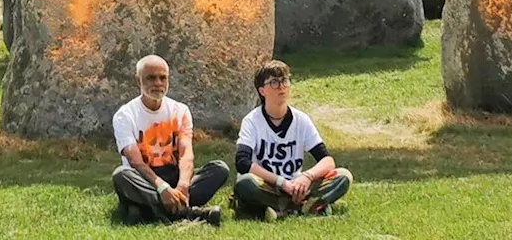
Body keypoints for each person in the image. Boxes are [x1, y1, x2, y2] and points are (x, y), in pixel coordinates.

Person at [111, 55, 229, 226]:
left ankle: (147, 210)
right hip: (144, 179)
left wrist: (182, 185)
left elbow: (186, 153)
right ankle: (189, 212)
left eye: (162, 77)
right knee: (121, 175)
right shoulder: (125, 115)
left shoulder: (180, 110)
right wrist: (162, 188)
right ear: (139, 81)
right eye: (151, 78)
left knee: (219, 169)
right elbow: (135, 161)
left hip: (173, 175)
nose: (158, 83)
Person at [231, 60, 353, 220]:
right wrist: (282, 183)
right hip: (269, 186)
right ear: (262, 91)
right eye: (274, 82)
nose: (281, 86)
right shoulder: (252, 121)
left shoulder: (301, 119)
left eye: (285, 80)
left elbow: (327, 160)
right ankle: (308, 206)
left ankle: (281, 209)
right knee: (245, 182)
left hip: (297, 186)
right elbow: (242, 162)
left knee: (343, 176)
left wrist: (307, 177)